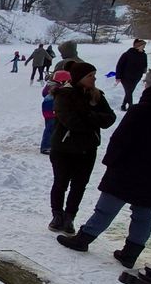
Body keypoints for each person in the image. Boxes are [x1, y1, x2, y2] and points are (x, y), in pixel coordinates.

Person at [55, 67, 151, 267]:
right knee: (143, 214)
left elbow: (121, 138)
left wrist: (111, 161)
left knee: (106, 208)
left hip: (129, 165)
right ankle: (131, 253)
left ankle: (83, 239)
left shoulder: (142, 109)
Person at [48, 62, 116, 234]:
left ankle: (70, 217)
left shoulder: (97, 95)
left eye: (94, 75)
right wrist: (93, 118)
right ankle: (57, 215)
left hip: (87, 149)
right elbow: (71, 122)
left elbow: (109, 118)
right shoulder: (63, 95)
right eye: (90, 76)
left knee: (79, 185)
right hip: (63, 148)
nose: (94, 79)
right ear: (79, 77)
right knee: (60, 183)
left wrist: (88, 115)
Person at [39, 70, 71, 155]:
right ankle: (46, 146)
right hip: (52, 112)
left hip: (50, 112)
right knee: (50, 129)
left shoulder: (52, 86)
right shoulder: (57, 88)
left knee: (52, 129)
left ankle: (52, 145)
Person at [114, 38, 148, 111]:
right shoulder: (127, 54)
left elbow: (145, 65)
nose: (144, 47)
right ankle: (131, 106)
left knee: (129, 91)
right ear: (138, 46)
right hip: (125, 77)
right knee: (129, 91)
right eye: (143, 45)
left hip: (137, 77)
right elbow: (119, 65)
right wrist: (118, 77)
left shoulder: (144, 55)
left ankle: (123, 105)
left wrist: (144, 70)